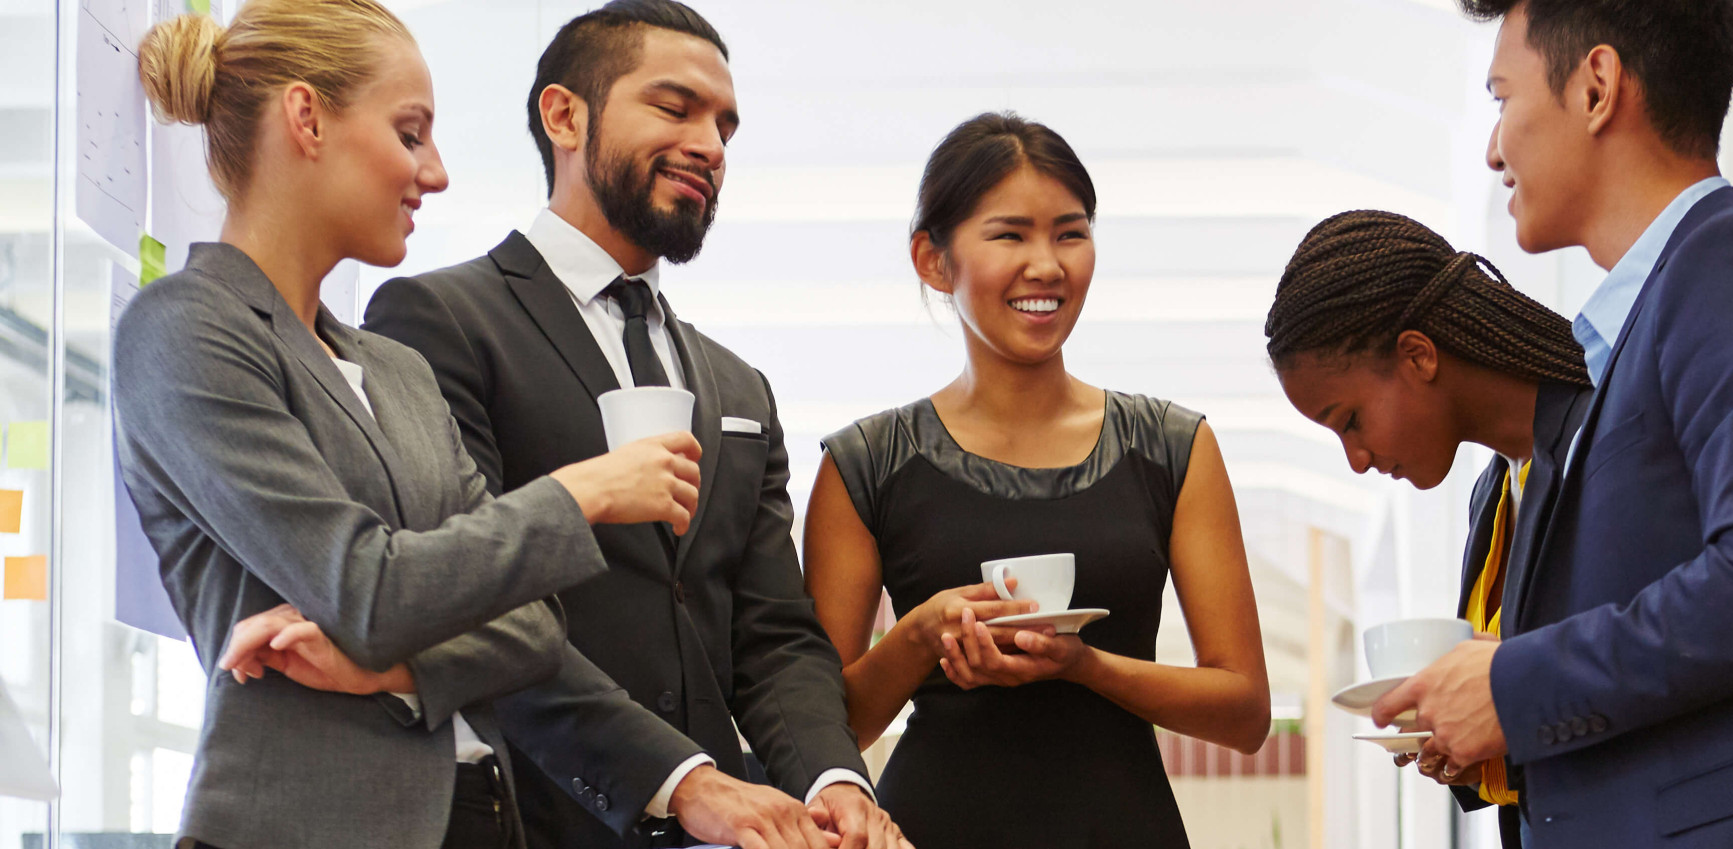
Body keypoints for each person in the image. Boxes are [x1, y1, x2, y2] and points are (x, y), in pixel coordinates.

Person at [117, 2, 704, 847]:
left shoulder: (398, 370)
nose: (436, 173)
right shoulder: (184, 329)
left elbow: (534, 628)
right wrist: (579, 494)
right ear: (307, 118)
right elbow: (365, 587)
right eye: (411, 133)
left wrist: (392, 666)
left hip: (476, 819)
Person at [1371, 2, 1733, 846]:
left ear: (1596, 87)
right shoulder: (1635, 336)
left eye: (1500, 98)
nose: (1492, 149)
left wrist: (1513, 687)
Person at [360, 3, 906, 848]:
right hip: (513, 820)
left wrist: (833, 782)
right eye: (674, 107)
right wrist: (675, 779)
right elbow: (467, 602)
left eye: (725, 126)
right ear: (564, 114)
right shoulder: (437, 321)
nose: (711, 146)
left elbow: (771, 633)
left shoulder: (739, 386)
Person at [802, 112, 1271, 849]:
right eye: (1010, 234)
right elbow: (822, 730)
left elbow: (1244, 712)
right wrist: (921, 635)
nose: (1048, 264)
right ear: (933, 258)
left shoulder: (1173, 447)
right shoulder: (866, 462)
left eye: (1071, 232)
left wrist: (1085, 665)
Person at [1265, 209, 1592, 847]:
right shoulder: (1493, 495)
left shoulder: (1602, 445)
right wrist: (1473, 743)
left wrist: (1510, 694)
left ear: (1418, 355)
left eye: (1350, 420)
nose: (1355, 460)